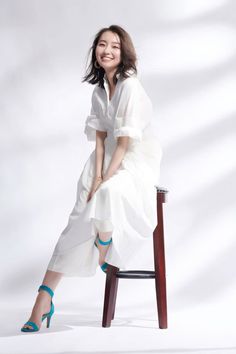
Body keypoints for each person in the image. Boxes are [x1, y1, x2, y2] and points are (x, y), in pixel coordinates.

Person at [21, 24, 162, 332]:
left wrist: (105, 180)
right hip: (107, 158)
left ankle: (105, 244)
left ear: (124, 52)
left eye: (114, 45)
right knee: (76, 220)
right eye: (101, 44)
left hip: (134, 160)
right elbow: (100, 139)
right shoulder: (100, 91)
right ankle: (43, 299)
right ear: (96, 52)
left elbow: (124, 143)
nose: (107, 50)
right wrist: (96, 175)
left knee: (107, 194)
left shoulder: (130, 86)